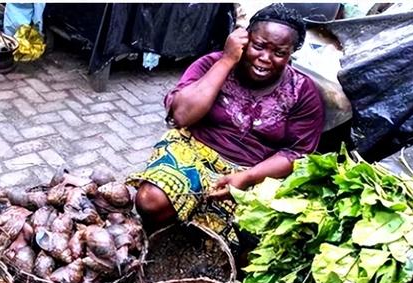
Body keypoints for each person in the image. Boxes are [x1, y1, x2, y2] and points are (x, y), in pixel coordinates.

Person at [128, 4, 325, 252]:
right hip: (194, 151)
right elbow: (181, 115)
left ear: (291, 54)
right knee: (150, 200)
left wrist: (248, 177)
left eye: (279, 52)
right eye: (259, 45)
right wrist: (227, 59)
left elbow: (297, 153)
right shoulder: (211, 64)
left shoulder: (302, 92)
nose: (265, 58)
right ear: (245, 39)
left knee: (255, 240)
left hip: (254, 171)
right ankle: (156, 245)